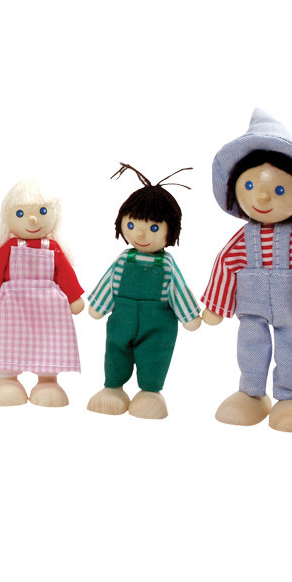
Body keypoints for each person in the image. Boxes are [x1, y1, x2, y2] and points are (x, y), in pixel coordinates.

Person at [202, 109, 292, 432]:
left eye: (279, 190)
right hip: (252, 310)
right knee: (250, 346)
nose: (262, 196)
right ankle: (251, 393)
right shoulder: (242, 239)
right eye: (250, 185)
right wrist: (217, 306)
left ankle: (291, 397)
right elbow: (225, 265)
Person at [87, 164, 201, 419]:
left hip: (157, 324)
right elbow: (109, 284)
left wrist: (189, 316)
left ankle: (150, 393)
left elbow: (179, 290)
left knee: (155, 355)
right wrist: (98, 306)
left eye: (153, 228)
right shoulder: (123, 259)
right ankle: (113, 387)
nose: (139, 233)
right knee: (115, 351)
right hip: (122, 319)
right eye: (132, 224)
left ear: (171, 230)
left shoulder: (167, 264)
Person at [0, 179, 85, 407]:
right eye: (20, 213)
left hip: (48, 311)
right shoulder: (9, 248)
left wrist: (74, 296)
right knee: (7, 342)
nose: (32, 219)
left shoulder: (53, 248)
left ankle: (48, 381)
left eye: (42, 212)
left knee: (48, 343)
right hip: (12, 308)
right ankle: (8, 380)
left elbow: (65, 274)